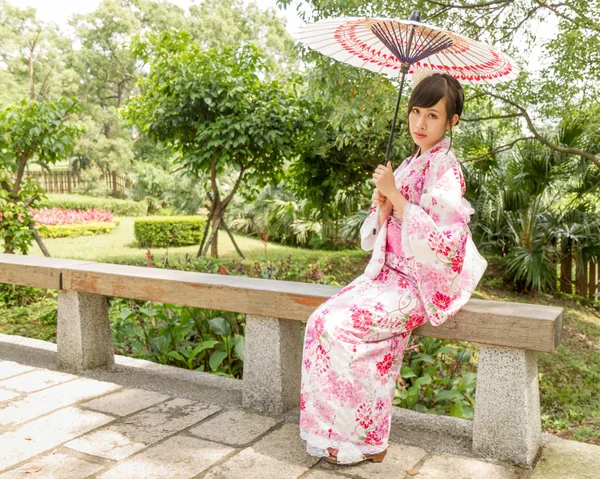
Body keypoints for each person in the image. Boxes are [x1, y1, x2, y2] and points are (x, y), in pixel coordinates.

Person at [298, 72, 488, 466]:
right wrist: (383, 207)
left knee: (341, 327)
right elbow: (385, 225)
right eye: (415, 112)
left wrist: (397, 199)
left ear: (452, 121)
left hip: (417, 283)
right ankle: (332, 431)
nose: (420, 123)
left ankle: (367, 439)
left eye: (433, 116)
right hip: (387, 275)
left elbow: (445, 243)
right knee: (319, 321)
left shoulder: (447, 171)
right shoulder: (407, 163)